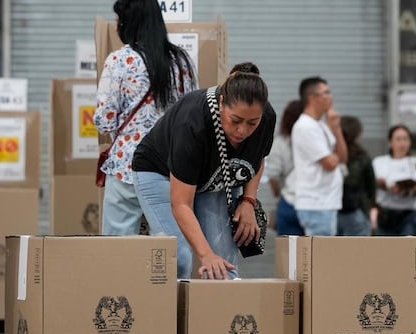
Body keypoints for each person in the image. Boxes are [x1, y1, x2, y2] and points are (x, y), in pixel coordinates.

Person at [133, 62, 276, 280]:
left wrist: (249, 202)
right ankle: (169, 302)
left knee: (224, 263)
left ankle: (223, 302)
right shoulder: (192, 124)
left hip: (212, 178)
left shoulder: (266, 118)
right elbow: (181, 204)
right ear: (222, 103)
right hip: (158, 172)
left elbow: (257, 158)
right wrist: (206, 254)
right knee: (179, 256)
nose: (242, 131)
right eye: (235, 120)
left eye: (252, 123)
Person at [94, 0, 197, 236]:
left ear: (129, 23)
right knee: (168, 242)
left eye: (119, 20)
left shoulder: (119, 60)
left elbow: (105, 121)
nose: (117, 26)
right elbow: (192, 113)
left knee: (119, 245)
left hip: (127, 164)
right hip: (170, 166)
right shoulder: (181, 61)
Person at [291, 76, 348, 236]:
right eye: (326, 93)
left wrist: (336, 129)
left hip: (327, 202)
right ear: (312, 98)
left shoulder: (321, 124)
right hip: (316, 204)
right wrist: (335, 157)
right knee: (321, 251)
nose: (331, 97)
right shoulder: (305, 126)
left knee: (328, 250)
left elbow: (342, 158)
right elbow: (330, 164)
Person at [372, 124, 416, 236]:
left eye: (405, 139)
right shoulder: (379, 162)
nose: (402, 143)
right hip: (386, 214)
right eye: (398, 139)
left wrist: (408, 189)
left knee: (408, 245)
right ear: (390, 142)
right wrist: (386, 186)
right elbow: (372, 183)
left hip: (409, 213)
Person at [265, 99, 304, 236]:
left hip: (289, 202)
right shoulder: (317, 142)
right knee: (317, 248)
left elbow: (273, 176)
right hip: (316, 204)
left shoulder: (280, 143)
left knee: (290, 248)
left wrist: (279, 195)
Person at [337, 116, 376, 236]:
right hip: (357, 209)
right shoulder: (362, 157)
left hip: (333, 210)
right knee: (359, 247)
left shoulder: (330, 156)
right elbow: (371, 187)